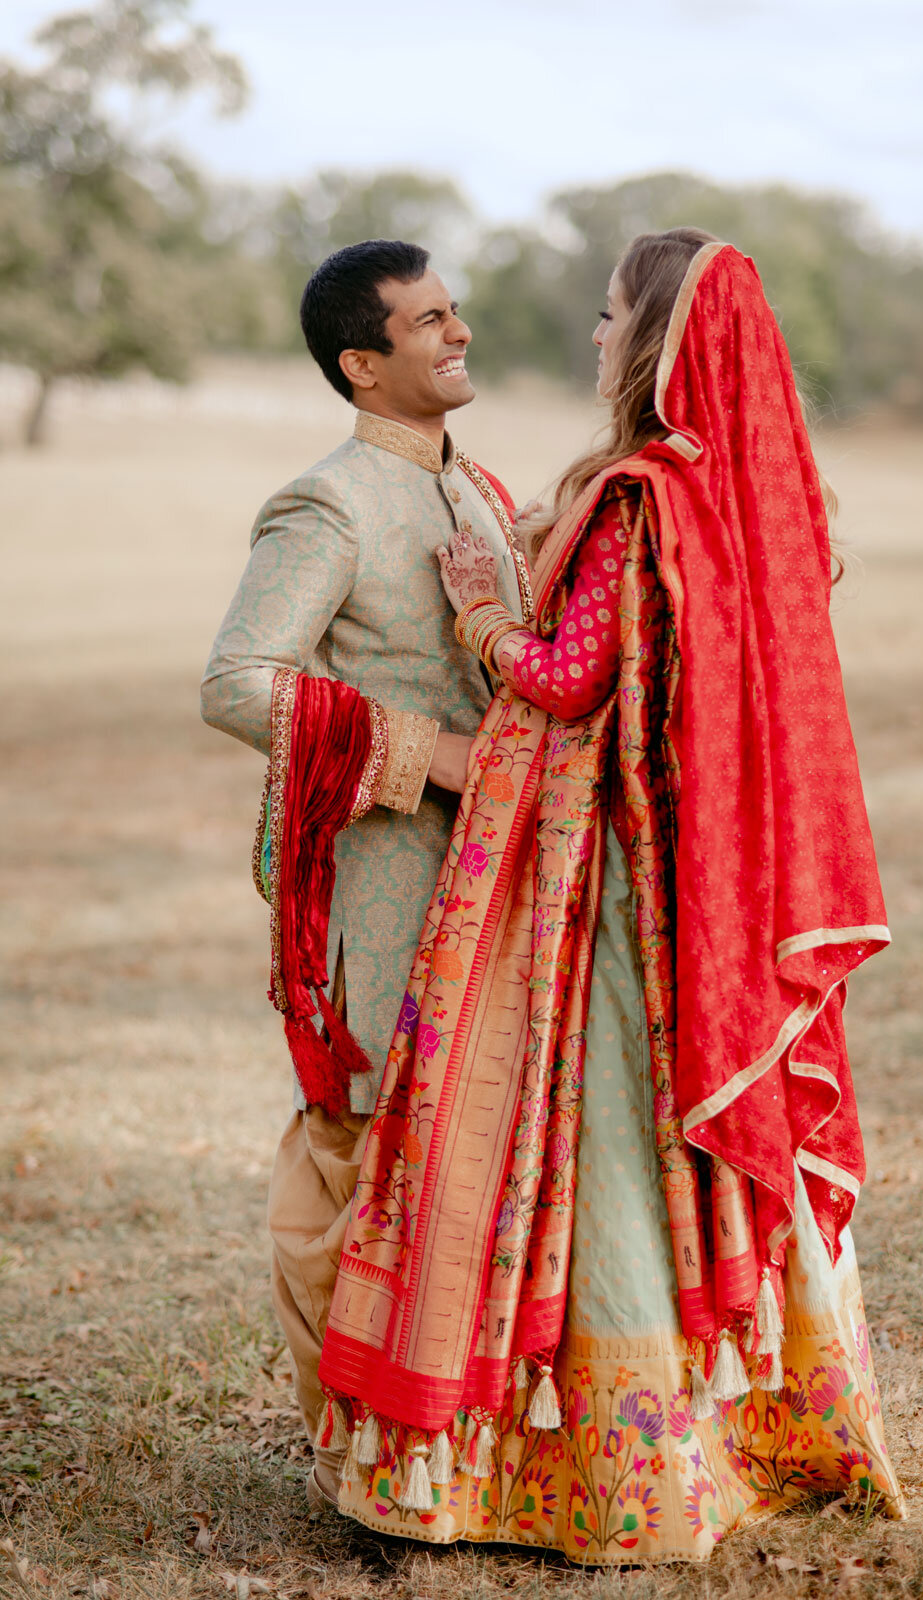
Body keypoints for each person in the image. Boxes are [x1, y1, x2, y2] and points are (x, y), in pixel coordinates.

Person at [315, 230, 904, 1563]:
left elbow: (568, 677)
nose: (591, 339)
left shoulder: (643, 495)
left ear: (651, 340)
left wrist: (477, 608)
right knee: (671, 1154)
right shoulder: (750, 495)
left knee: (605, 1152)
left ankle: (618, 1469)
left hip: (610, 884)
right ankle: (737, 1424)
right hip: (707, 878)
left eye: (604, 317)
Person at [200, 239, 532, 1511]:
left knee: (483, 1166)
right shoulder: (328, 504)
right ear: (362, 363)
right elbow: (237, 680)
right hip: (389, 891)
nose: (458, 334)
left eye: (456, 312)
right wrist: (431, 756)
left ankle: (474, 1460)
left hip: (500, 889)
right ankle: (370, 1466)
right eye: (428, 322)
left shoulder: (481, 493)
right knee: (370, 1165)